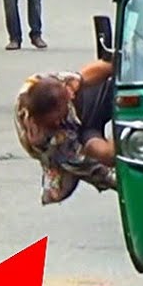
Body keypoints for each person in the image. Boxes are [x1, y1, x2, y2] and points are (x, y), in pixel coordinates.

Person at [14, 60, 117, 205]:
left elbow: (83, 76)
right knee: (107, 154)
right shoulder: (52, 141)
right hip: (75, 141)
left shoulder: (43, 83)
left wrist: (119, 66)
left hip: (86, 105)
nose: (58, 122)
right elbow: (97, 170)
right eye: (55, 120)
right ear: (38, 119)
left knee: (108, 78)